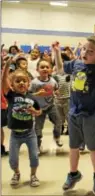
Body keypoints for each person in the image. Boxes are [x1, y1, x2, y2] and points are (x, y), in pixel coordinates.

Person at [53, 35, 95, 194]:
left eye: (91, 51)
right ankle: (73, 173)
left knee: (93, 148)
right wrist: (56, 52)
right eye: (84, 49)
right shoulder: (76, 64)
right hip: (74, 112)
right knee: (73, 146)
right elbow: (60, 69)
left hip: (92, 114)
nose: (85, 53)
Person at [2, 57, 42, 187]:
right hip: (15, 135)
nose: (21, 83)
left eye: (24, 81)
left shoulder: (32, 98)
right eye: (17, 81)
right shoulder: (11, 95)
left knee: (34, 157)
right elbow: (3, 81)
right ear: (12, 84)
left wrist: (35, 112)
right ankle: (17, 173)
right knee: (13, 160)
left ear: (28, 82)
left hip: (30, 133)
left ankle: (33, 175)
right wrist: (7, 65)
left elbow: (39, 111)